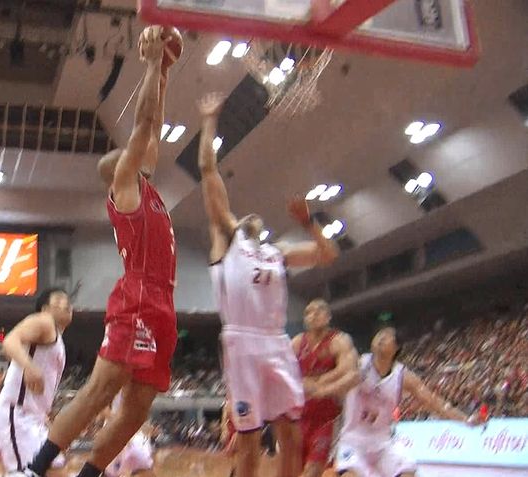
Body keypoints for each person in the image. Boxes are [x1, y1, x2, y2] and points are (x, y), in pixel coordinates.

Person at [24, 26, 175, 477]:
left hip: (163, 302)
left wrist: (164, 73)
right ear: (120, 170)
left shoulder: (146, 186)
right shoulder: (125, 188)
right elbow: (144, 128)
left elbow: (153, 129)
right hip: (138, 297)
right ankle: (35, 468)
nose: (142, 153)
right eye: (131, 154)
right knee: (100, 391)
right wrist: (151, 63)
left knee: (138, 409)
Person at [196, 92, 339, 477]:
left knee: (291, 434)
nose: (252, 216)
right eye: (244, 216)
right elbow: (208, 171)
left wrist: (309, 221)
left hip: (276, 341)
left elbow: (328, 254)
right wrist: (209, 120)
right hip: (242, 341)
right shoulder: (227, 241)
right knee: (249, 442)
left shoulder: (278, 252)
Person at [335, 326, 479, 477]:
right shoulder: (358, 364)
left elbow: (433, 401)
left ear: (396, 347)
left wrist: (466, 419)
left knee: (408, 473)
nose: (381, 338)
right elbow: (334, 380)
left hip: (382, 442)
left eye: (387, 336)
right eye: (379, 334)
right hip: (353, 441)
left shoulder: (403, 377)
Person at [0, 288, 73, 476]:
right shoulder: (44, 321)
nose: (66, 304)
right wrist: (28, 367)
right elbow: (9, 341)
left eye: (68, 301)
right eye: (59, 300)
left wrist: (46, 422)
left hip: (34, 419)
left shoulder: (57, 339)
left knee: (56, 470)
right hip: (16, 415)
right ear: (45, 308)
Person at [291, 299, 359, 477]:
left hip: (327, 419)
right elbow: (284, 373)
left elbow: (350, 371)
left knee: (313, 470)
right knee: (293, 470)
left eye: (319, 311)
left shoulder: (339, 341)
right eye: (309, 312)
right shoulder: (297, 343)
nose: (313, 315)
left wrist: (320, 385)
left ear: (328, 316)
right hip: (299, 418)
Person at [103, 393, 155, 477]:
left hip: (135, 431)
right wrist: (121, 424)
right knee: (111, 472)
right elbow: (103, 410)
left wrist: (143, 425)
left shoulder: (141, 389)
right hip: (115, 430)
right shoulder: (112, 388)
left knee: (145, 466)